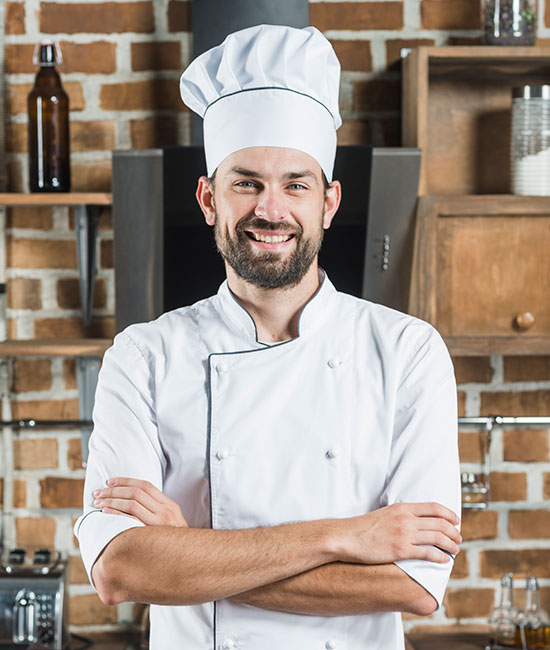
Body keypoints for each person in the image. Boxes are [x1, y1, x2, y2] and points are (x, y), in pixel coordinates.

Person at [75, 24, 461, 650]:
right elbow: (121, 571)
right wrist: (345, 536)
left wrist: (187, 552)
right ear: (209, 199)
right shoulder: (144, 356)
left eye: (296, 184)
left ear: (329, 203)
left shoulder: (408, 352)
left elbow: (415, 584)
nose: (271, 209)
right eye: (246, 182)